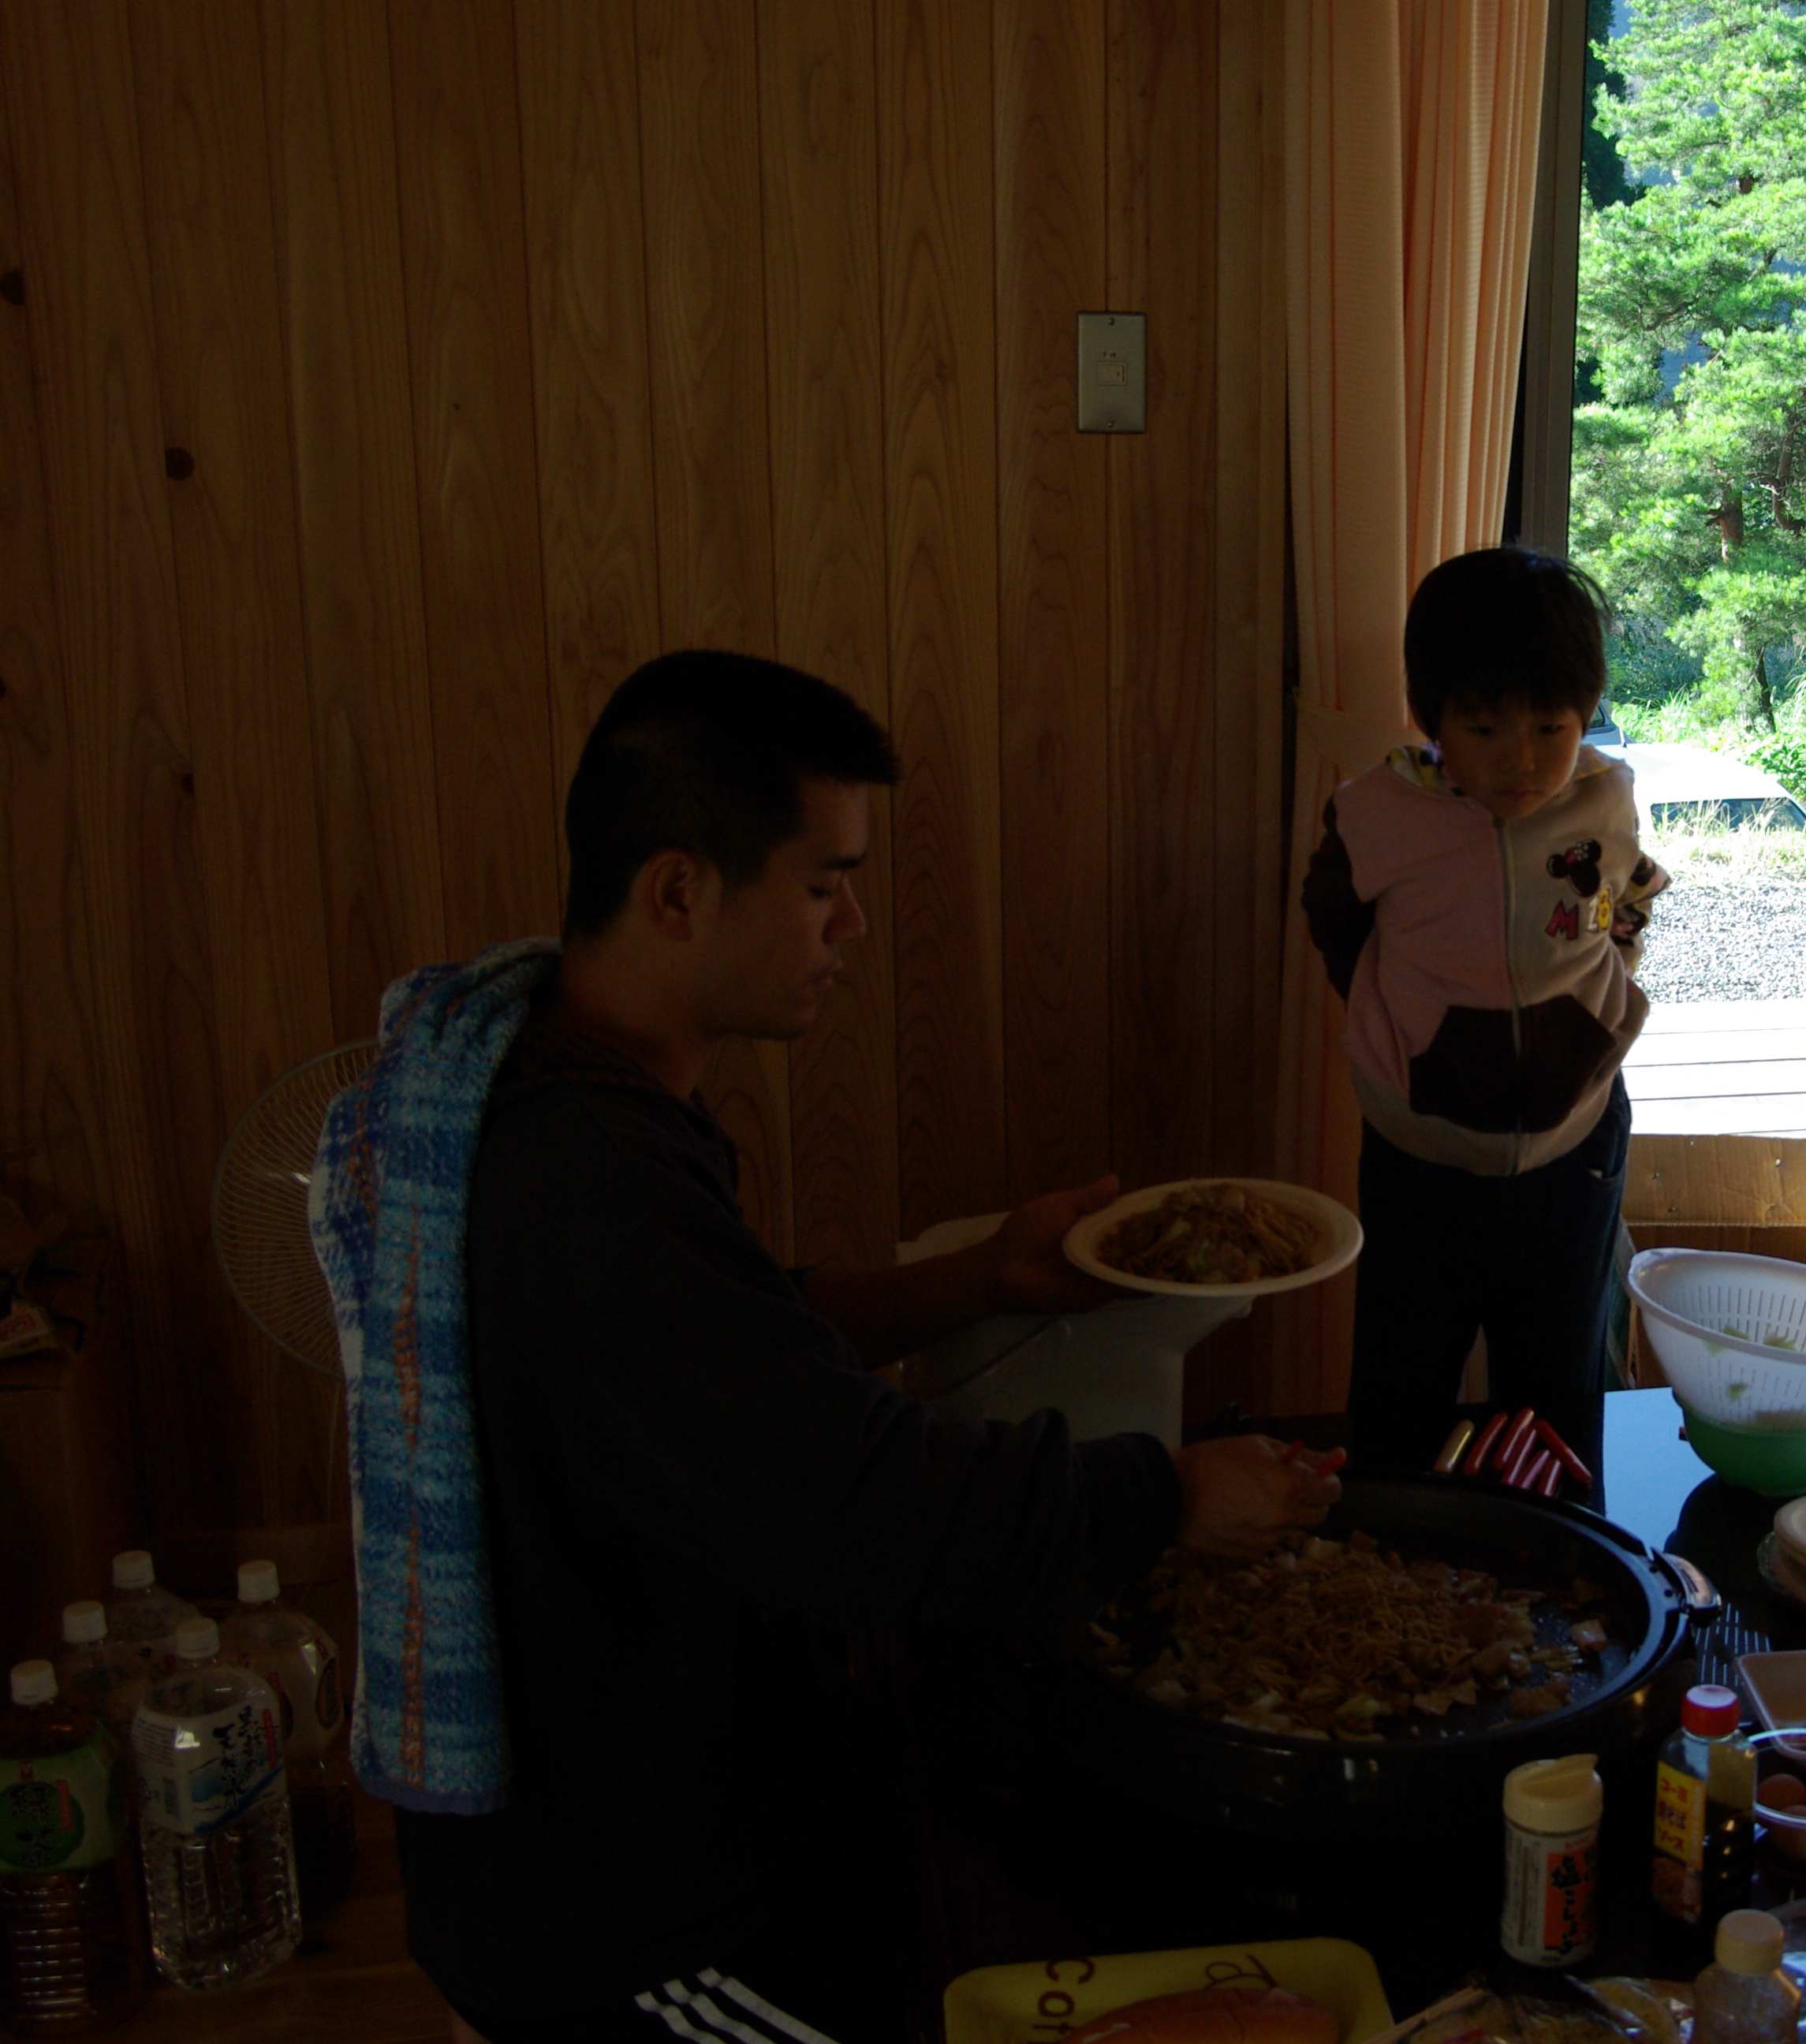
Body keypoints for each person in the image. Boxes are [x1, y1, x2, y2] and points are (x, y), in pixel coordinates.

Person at [386, 652, 1338, 2042]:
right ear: (677, 892)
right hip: (632, 1919)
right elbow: (859, 1503)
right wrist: (1169, 1491)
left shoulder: (562, 1084)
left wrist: (979, 1280)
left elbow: (732, 1353)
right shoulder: (590, 1195)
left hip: (695, 1797)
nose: (854, 923)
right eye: (824, 883)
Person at [1301, 549, 1666, 1483]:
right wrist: (1405, 1030)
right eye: (1482, 726)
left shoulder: (1606, 797)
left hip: (1575, 1143)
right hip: (1420, 1150)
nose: (1521, 758)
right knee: (1401, 1386)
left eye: (1550, 726)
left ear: (1584, 712)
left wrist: (1604, 1000)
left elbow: (1630, 891)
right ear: (1430, 719)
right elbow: (1334, 917)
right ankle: (1388, 1553)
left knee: (1557, 1393)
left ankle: (1561, 1558)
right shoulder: (1375, 814)